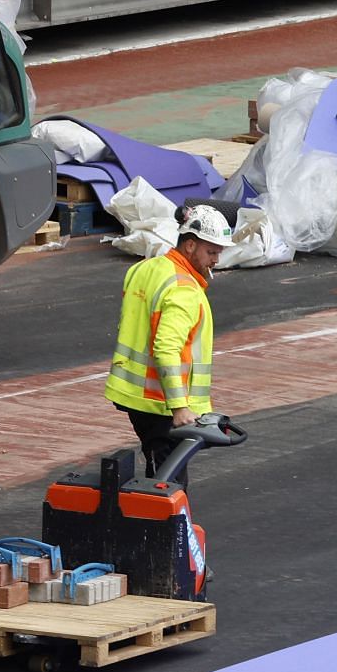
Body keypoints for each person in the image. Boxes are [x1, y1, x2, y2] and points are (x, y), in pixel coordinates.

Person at [103, 204, 232, 490]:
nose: (216, 260)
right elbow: (166, 349)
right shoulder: (184, 289)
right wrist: (179, 407)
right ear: (189, 245)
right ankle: (160, 533)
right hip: (160, 403)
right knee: (168, 483)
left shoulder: (144, 269)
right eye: (211, 252)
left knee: (158, 470)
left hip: (134, 393)